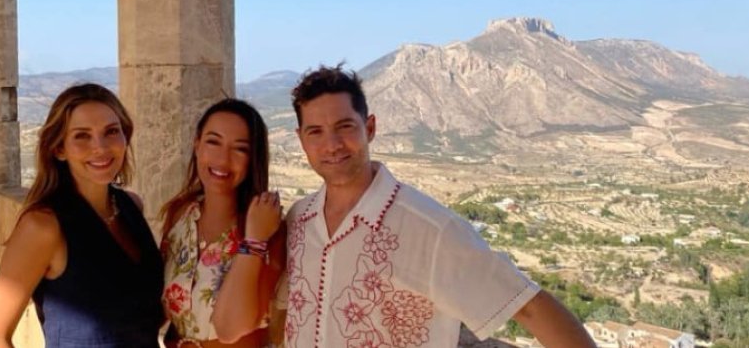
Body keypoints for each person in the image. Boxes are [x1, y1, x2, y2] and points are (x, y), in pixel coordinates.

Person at [281, 66, 596, 348]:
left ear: (371, 128)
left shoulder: (430, 228)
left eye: (345, 126)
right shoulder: (299, 219)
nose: (332, 144)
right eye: (315, 132)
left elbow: (529, 307)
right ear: (301, 139)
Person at [0, 83, 164, 347]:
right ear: (59, 149)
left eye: (112, 132)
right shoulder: (43, 226)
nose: (100, 147)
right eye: (82, 136)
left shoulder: (131, 207)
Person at [159, 98, 286, 348]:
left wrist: (253, 242)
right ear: (197, 145)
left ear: (253, 159)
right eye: (213, 142)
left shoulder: (270, 231)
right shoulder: (180, 215)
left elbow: (230, 328)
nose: (222, 159)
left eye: (239, 148)